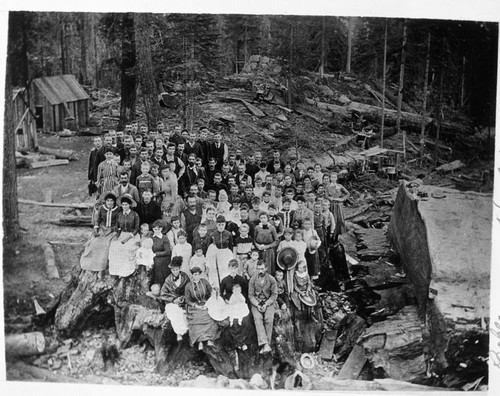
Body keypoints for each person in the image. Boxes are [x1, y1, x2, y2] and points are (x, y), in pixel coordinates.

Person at [80, 191, 120, 278]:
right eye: (108, 201)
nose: (110, 203)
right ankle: (93, 267)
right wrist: (96, 229)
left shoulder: (118, 209)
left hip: (112, 231)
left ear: (114, 202)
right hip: (102, 230)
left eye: (112, 201)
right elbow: (97, 219)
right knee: (94, 244)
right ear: (105, 201)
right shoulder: (102, 208)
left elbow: (118, 222)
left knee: (106, 247)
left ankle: (101, 269)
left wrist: (115, 231)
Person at [185, 266, 221, 350]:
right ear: (192, 275)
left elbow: (211, 291)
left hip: (205, 303)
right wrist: (196, 306)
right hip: (194, 306)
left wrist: (214, 292)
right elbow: (187, 300)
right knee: (197, 319)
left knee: (209, 317)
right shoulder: (188, 286)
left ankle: (209, 339)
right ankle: (199, 341)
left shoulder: (204, 282)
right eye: (195, 274)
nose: (196, 276)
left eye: (198, 274)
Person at [248, 260, 278, 354]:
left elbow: (274, 295)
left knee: (269, 318)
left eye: (262, 268)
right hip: (256, 303)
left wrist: (266, 304)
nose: (260, 271)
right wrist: (257, 304)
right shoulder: (252, 279)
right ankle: (265, 344)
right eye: (258, 268)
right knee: (257, 318)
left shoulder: (271, 279)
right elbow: (251, 295)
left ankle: (266, 344)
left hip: (268, 302)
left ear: (266, 268)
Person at [108, 194, 141, 278]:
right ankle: (117, 271)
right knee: (114, 247)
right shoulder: (119, 214)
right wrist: (116, 235)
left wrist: (129, 237)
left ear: (129, 205)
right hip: (122, 234)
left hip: (133, 235)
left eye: (126, 204)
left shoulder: (135, 214)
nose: (124, 206)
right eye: (123, 204)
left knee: (126, 248)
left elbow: (137, 228)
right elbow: (116, 226)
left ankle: (126, 271)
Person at [159, 257, 190, 341]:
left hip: (184, 300)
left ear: (179, 269)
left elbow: (189, 289)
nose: (175, 272)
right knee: (175, 312)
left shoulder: (185, 277)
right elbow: (163, 294)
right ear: (170, 270)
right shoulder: (168, 280)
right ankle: (178, 333)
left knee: (187, 312)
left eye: (177, 270)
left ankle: (186, 331)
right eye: (173, 270)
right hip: (172, 302)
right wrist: (173, 300)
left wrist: (183, 297)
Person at [206, 215, 234, 287]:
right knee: (216, 273)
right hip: (216, 255)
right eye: (219, 225)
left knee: (225, 272)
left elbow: (231, 247)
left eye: (222, 224)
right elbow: (209, 248)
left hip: (226, 255)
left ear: (225, 224)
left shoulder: (228, 234)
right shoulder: (212, 235)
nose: (221, 227)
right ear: (216, 224)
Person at [324, 172, 350, 242]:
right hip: (331, 204)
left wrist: (342, 199)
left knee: (339, 219)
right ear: (330, 178)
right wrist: (330, 198)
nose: (333, 179)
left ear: (337, 178)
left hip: (338, 205)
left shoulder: (340, 186)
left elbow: (347, 193)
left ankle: (338, 235)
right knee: (332, 219)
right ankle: (331, 235)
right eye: (332, 177)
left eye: (334, 177)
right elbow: (326, 196)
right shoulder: (327, 186)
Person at [150, 220, 172, 286]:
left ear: (161, 229)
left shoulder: (164, 238)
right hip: (154, 259)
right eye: (155, 229)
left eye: (158, 229)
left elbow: (167, 251)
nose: (157, 231)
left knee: (161, 273)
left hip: (163, 260)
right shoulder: (151, 238)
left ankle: (163, 288)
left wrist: (156, 254)